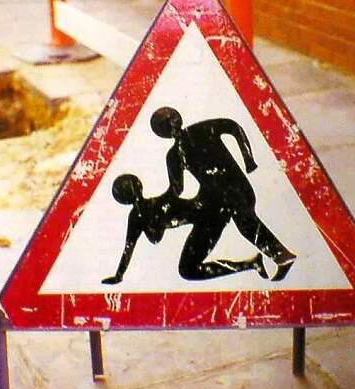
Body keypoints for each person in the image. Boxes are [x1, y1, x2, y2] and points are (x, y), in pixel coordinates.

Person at [149, 107, 296, 282]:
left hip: (235, 189)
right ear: (161, 133)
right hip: (213, 201)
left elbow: (233, 127)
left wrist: (248, 159)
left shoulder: (203, 129)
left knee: (246, 223)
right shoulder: (174, 155)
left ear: (178, 117)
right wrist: (156, 203)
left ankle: (281, 257)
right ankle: (260, 262)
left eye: (172, 118)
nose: (172, 125)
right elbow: (176, 189)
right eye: (165, 125)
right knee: (187, 268)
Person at [101, 174, 267, 284]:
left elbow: (150, 240)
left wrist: (119, 276)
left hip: (211, 217)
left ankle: (251, 264)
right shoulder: (139, 215)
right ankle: (251, 264)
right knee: (188, 270)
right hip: (208, 219)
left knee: (187, 270)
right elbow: (132, 246)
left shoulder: (151, 208)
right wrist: (119, 276)